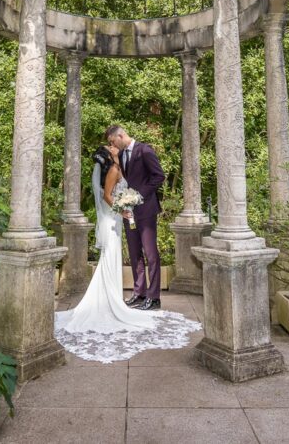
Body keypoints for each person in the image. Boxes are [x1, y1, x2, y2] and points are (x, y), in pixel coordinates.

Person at [53, 140, 198, 364]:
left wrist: (131, 202)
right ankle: (124, 296)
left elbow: (149, 180)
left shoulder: (123, 163)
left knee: (143, 254)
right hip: (118, 219)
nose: (113, 148)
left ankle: (147, 296)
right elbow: (107, 196)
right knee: (120, 256)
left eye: (113, 144)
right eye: (110, 147)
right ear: (108, 154)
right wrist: (122, 210)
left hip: (130, 216)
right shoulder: (112, 169)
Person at [106, 125, 165, 310]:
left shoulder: (145, 150)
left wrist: (139, 196)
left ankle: (154, 298)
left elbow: (159, 176)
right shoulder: (122, 155)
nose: (112, 145)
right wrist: (124, 204)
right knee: (134, 253)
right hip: (129, 213)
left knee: (150, 253)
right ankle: (140, 293)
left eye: (112, 141)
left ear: (121, 135)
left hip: (146, 210)